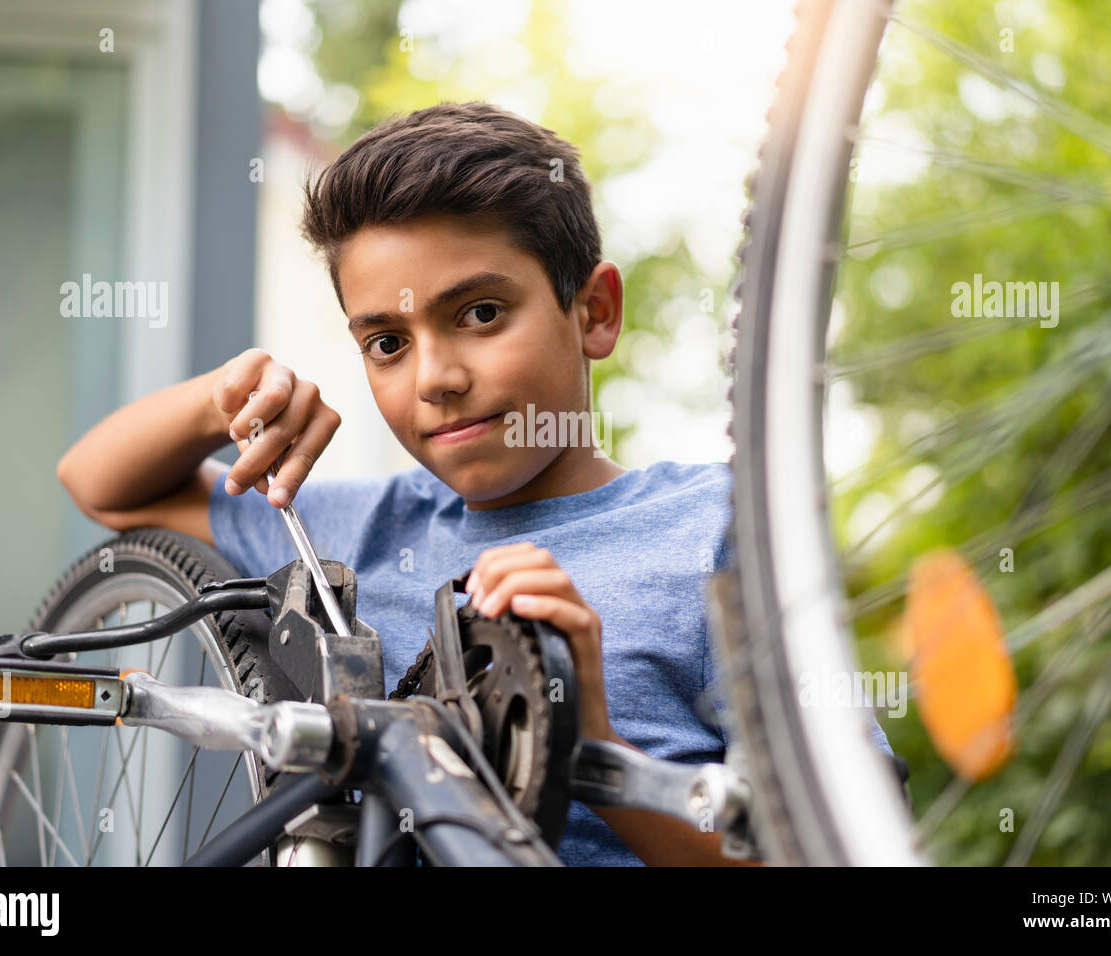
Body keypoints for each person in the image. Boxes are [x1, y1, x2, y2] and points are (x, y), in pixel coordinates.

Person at [57, 100, 892, 866]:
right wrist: (220, 400)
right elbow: (104, 485)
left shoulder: (722, 532)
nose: (436, 378)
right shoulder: (357, 530)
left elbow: (830, 848)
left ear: (594, 312)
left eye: (481, 314)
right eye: (387, 342)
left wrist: (587, 743)